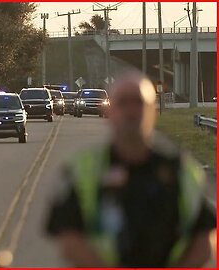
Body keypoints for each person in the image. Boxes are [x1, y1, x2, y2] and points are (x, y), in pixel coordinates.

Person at [45, 71, 216, 267]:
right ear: (109, 112)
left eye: (139, 102)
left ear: (152, 111)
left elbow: (205, 240)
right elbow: (69, 240)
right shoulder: (83, 169)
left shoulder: (181, 170)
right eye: (123, 103)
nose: (131, 111)